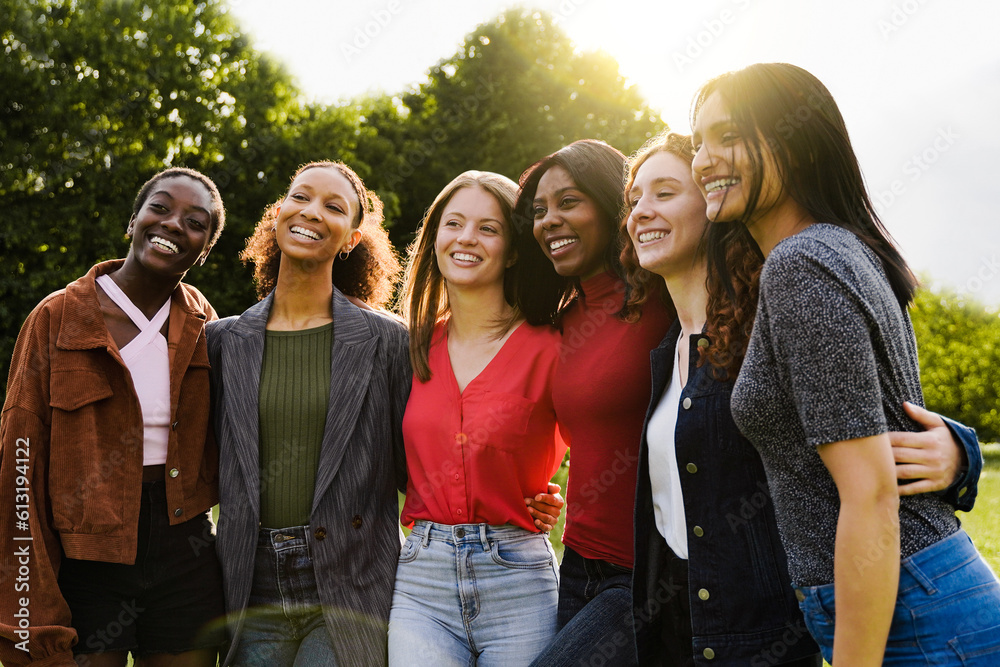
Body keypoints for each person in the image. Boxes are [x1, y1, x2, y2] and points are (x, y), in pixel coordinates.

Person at [691, 62, 998, 665]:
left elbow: (870, 495)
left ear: (796, 147)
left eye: (728, 136)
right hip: (915, 594)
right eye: (699, 140)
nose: (704, 158)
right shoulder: (837, 250)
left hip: (913, 611)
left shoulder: (801, 264)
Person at [0, 167, 227, 666]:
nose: (172, 225)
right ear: (133, 221)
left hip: (183, 552)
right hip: (86, 561)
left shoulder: (206, 326)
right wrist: (28, 601)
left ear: (204, 250)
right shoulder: (57, 318)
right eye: (160, 208)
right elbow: (21, 465)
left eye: (195, 222)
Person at [206, 161, 409, 666]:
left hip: (350, 581)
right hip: (251, 586)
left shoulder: (389, 342)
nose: (312, 212)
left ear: (351, 238)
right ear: (278, 213)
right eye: (300, 197)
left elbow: (422, 467)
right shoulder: (221, 342)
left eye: (334, 207)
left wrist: (521, 497)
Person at [388, 171, 566, 665]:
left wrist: (551, 494)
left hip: (518, 579)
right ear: (436, 237)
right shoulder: (411, 348)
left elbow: (600, 441)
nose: (466, 238)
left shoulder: (551, 347)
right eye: (454, 223)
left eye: (488, 228)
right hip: (422, 582)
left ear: (512, 250)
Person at [513, 140, 674, 667]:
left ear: (612, 207)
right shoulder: (565, 318)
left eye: (568, 202)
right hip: (577, 562)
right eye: (539, 211)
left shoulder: (663, 299)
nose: (549, 221)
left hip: (644, 574)